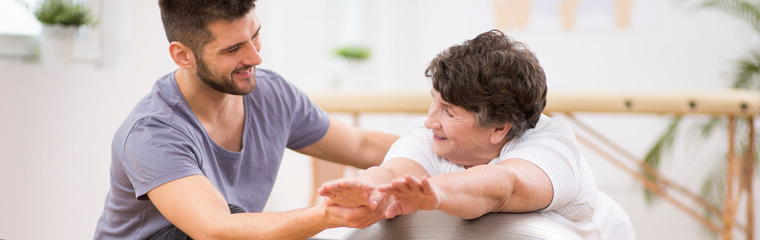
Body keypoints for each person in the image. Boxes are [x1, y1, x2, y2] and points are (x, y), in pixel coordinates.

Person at [93, 0, 398, 239]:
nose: (255, 57)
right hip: (197, 234)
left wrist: (435, 148)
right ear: (182, 56)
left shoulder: (273, 94)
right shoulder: (152, 132)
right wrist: (327, 215)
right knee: (229, 221)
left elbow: (361, 145)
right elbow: (215, 229)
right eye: (233, 48)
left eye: (255, 36)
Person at [319, 30, 635, 239]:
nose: (430, 121)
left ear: (499, 128)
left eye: (448, 111)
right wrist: (370, 189)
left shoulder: (552, 144)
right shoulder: (433, 135)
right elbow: (394, 173)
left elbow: (502, 187)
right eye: (434, 102)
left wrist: (436, 194)